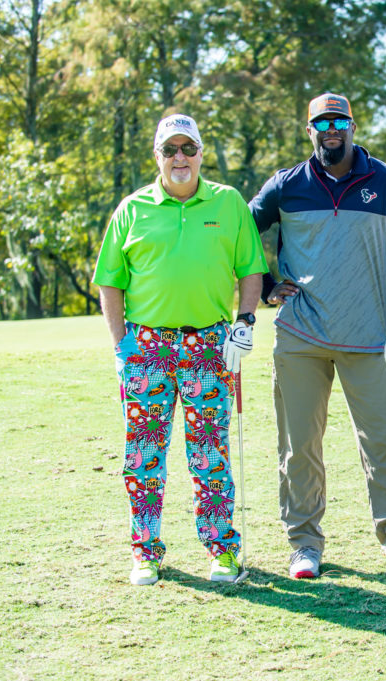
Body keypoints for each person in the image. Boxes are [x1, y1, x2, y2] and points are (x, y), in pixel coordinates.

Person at [248, 93, 386, 583]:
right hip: (300, 335)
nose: (331, 129)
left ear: (352, 126)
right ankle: (304, 544)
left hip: (369, 339)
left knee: (384, 445)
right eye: (321, 122)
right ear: (310, 130)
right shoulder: (287, 185)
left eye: (339, 120)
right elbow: (241, 233)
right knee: (298, 447)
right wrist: (265, 286)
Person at [93, 113, 268, 587]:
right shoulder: (132, 208)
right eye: (170, 149)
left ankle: (222, 551)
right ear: (158, 156)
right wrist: (121, 346)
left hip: (209, 343)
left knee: (210, 451)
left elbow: (250, 268)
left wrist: (244, 322)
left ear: (200, 153)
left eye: (188, 148)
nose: (180, 158)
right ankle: (145, 552)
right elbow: (110, 281)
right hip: (146, 345)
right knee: (143, 453)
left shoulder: (228, 203)